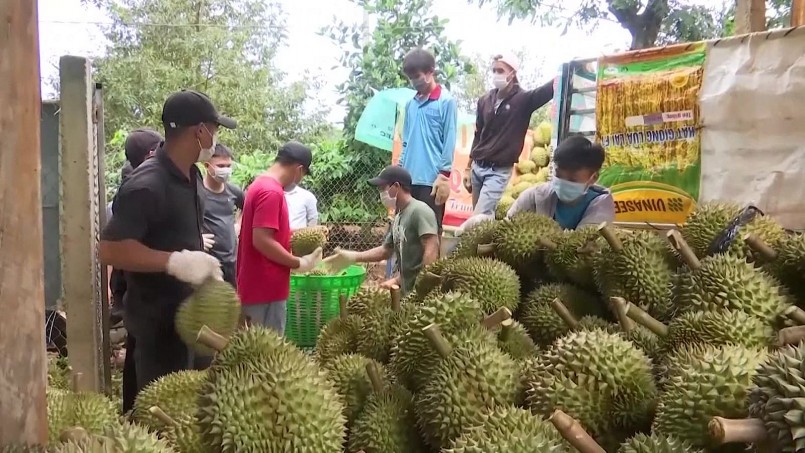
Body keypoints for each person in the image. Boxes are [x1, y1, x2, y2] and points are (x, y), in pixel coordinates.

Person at [100, 89, 235, 396]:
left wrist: (201, 258)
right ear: (200, 131)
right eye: (213, 130)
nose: (214, 138)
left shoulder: (193, 176)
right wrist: (174, 261)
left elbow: (176, 230)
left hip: (191, 317)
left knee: (191, 410)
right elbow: (110, 249)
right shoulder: (148, 183)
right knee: (158, 419)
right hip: (156, 327)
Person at [236, 141, 323, 334]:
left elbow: (269, 232)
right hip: (266, 288)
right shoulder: (271, 192)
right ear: (299, 170)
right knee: (266, 354)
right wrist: (297, 262)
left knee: (254, 350)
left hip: (257, 285)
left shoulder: (260, 184)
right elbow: (261, 240)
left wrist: (305, 234)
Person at [323, 165, 439, 296]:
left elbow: (432, 246)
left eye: (383, 188)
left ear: (396, 186)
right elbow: (386, 251)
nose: (381, 193)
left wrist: (424, 281)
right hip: (406, 292)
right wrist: (353, 256)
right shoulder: (398, 217)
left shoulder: (419, 210)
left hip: (421, 293)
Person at [464, 53, 555, 217]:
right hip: (477, 166)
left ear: (512, 73)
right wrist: (467, 167)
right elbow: (478, 135)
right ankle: (484, 243)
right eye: (494, 70)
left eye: (500, 70)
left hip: (498, 170)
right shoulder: (485, 100)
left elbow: (548, 90)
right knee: (479, 220)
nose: (496, 74)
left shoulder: (524, 100)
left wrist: (567, 71)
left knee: (480, 215)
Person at [398, 48, 458, 233]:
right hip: (408, 179)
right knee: (404, 231)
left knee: (429, 232)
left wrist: (443, 176)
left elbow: (449, 139)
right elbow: (406, 141)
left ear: (431, 72)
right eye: (410, 77)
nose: (414, 81)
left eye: (417, 76)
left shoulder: (446, 102)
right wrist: (399, 171)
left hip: (431, 182)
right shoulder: (410, 105)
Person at [507, 135, 615, 229]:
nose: (562, 182)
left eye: (572, 179)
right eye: (558, 175)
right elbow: (505, 228)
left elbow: (582, 246)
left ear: (593, 178)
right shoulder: (533, 197)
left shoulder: (601, 206)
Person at [201, 143, 244, 288]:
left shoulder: (234, 192)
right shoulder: (197, 192)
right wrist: (197, 238)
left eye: (228, 166)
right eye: (220, 166)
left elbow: (246, 208)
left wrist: (238, 224)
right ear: (207, 166)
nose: (225, 170)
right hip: (206, 263)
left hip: (232, 262)